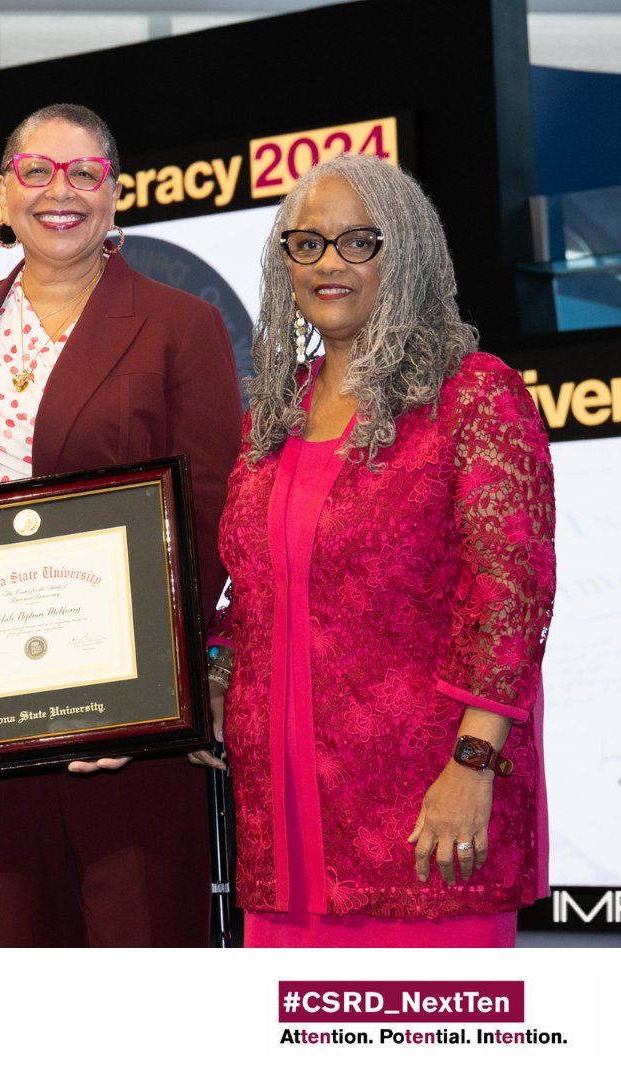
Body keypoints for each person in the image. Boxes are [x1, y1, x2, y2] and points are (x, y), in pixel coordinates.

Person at [0, 103, 242, 947]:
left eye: (84, 173)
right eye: (36, 171)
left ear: (116, 193)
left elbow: (212, 512)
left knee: (137, 938)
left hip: (125, 718)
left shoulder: (182, 324)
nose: (58, 192)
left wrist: (135, 702)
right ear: (2, 192)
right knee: (14, 934)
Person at [212, 153, 556, 947]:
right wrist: (214, 674)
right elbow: (255, 592)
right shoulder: (275, 412)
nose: (328, 263)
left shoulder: (473, 394)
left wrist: (473, 766)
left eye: (357, 242)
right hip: (283, 829)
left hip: (425, 817)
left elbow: (511, 596)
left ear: (405, 253)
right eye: (306, 244)